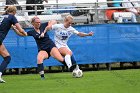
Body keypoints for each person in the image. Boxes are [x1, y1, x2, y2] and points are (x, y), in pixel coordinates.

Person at [0, 6, 27, 83]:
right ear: (14, 12)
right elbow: (20, 29)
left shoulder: (2, 16)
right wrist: (25, 33)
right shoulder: (12, 17)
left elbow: (14, 29)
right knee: (7, 58)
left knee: (7, 57)